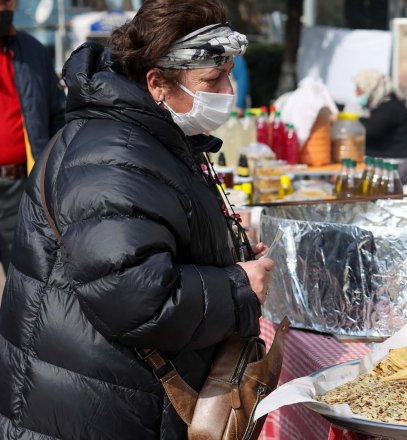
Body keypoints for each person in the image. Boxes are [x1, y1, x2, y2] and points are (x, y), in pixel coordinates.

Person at [0, 0, 276, 437]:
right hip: (92, 409)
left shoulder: (154, 135)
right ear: (157, 83)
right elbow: (135, 297)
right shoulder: (115, 156)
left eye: (228, 76)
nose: (228, 91)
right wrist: (238, 286)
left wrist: (229, 249)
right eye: (212, 79)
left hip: (105, 392)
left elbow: (151, 237)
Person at [0, 0, 65, 274]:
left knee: (26, 275)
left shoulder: (33, 51)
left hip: (20, 187)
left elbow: (58, 116)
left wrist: (52, 171)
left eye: (8, 2)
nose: (4, 8)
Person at [354, 69, 407, 180]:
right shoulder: (381, 106)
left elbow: (372, 129)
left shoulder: (390, 108)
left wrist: (351, 121)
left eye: (360, 90)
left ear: (371, 88)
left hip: (393, 165)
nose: (356, 93)